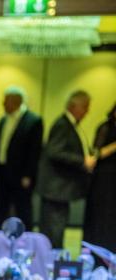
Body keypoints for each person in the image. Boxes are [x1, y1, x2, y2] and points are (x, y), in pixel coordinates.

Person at [37, 90, 96, 248]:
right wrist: (82, 161)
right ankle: (51, 260)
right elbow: (54, 152)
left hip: (60, 189)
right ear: (74, 106)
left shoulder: (70, 125)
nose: (87, 111)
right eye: (85, 107)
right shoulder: (63, 125)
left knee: (55, 229)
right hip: (56, 188)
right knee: (53, 231)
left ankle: (52, 258)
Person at [0, 86, 43, 230]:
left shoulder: (33, 121)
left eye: (6, 100)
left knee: (22, 208)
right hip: (2, 171)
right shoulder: (3, 120)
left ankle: (25, 238)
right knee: (0, 207)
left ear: (17, 101)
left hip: (20, 175)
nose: (3, 103)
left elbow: (34, 151)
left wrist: (28, 175)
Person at [83, 102, 116, 259]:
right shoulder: (105, 127)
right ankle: (97, 257)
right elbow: (95, 154)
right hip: (104, 179)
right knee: (101, 217)